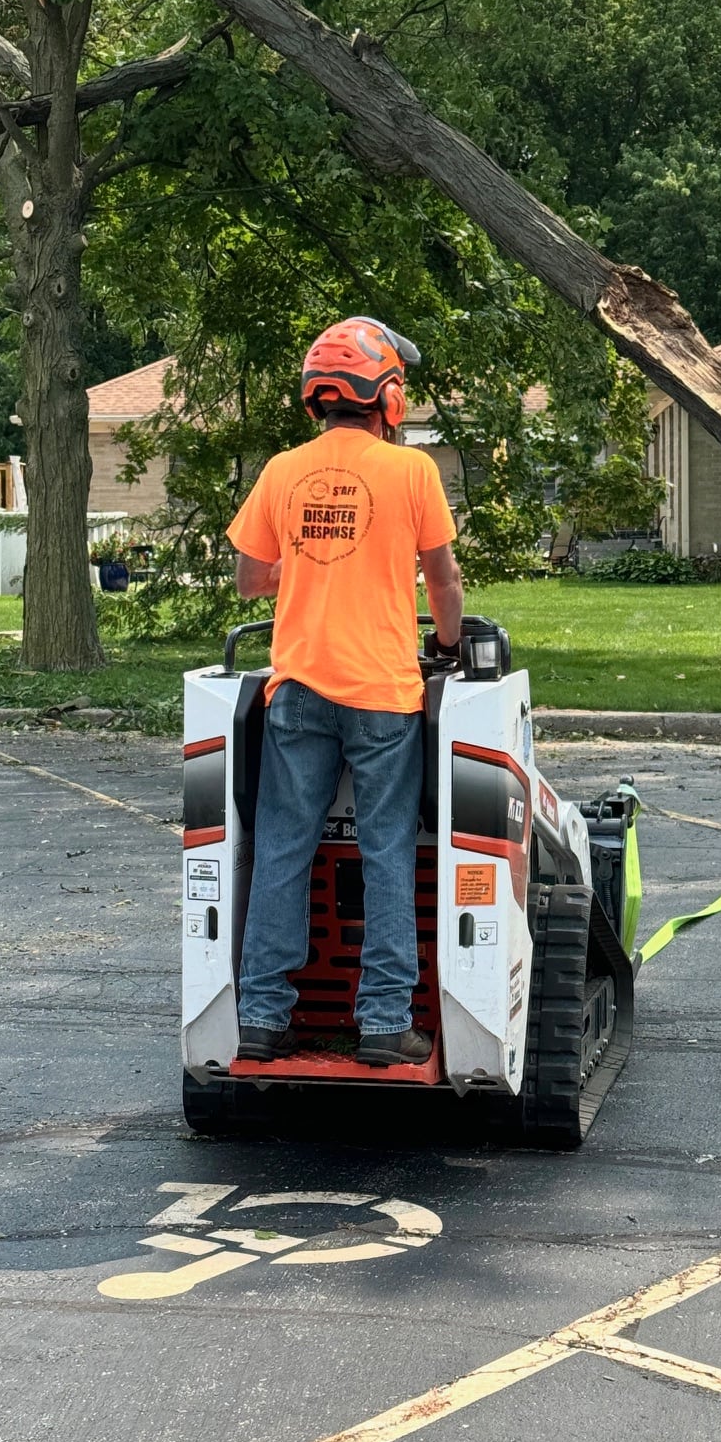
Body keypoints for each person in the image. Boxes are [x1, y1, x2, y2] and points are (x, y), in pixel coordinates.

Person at [226, 317, 464, 1066]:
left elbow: (250, 580)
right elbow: (443, 578)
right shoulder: (413, 473)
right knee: (388, 851)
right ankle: (384, 1023)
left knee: (284, 849)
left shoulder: (281, 470)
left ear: (318, 399)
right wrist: (450, 646)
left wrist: (307, 564)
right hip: (385, 695)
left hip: (297, 690)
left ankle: (263, 1018)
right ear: (387, 396)